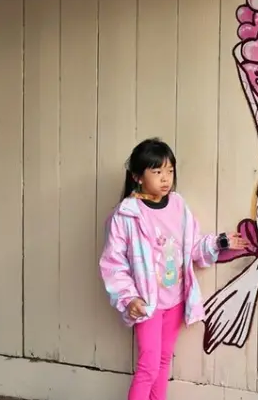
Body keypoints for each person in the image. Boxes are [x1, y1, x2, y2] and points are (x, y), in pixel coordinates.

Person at [99, 137, 247, 400]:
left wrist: (220, 242)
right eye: (157, 172)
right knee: (148, 365)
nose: (165, 178)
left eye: (169, 170)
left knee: (164, 359)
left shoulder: (178, 205)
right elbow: (114, 263)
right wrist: (129, 298)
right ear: (137, 176)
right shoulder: (127, 214)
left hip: (176, 299)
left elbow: (192, 246)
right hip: (148, 304)